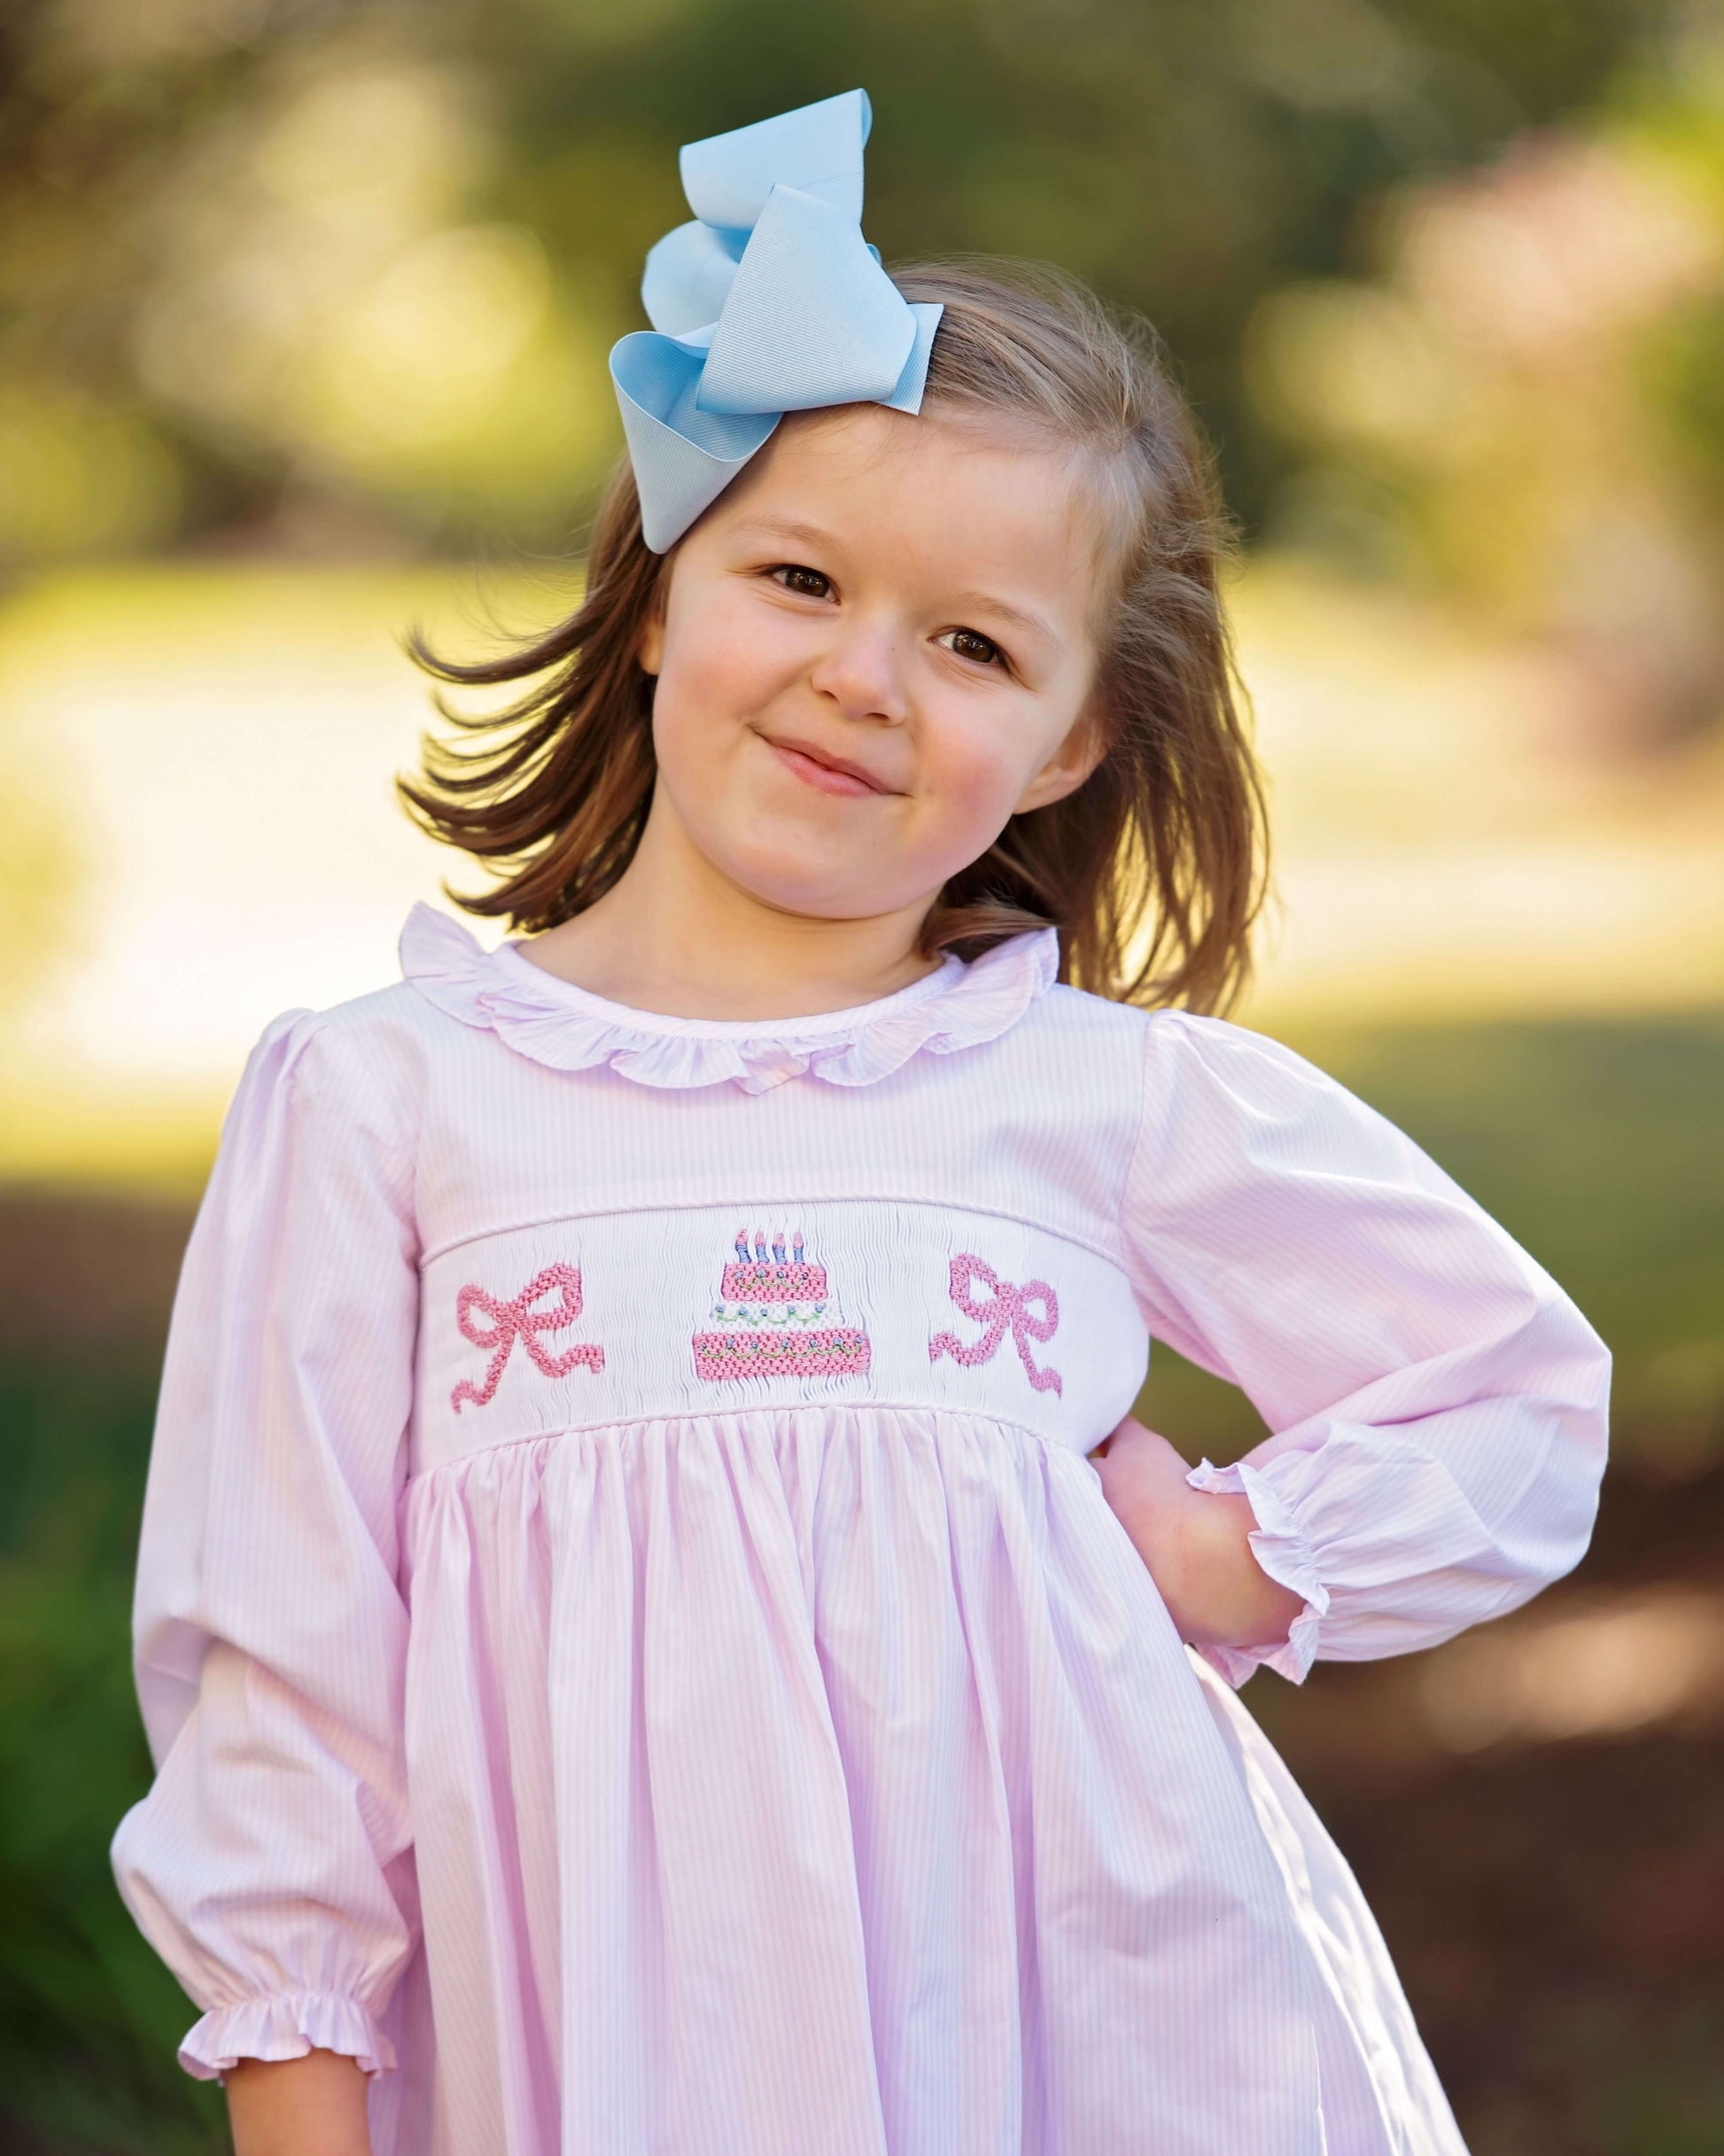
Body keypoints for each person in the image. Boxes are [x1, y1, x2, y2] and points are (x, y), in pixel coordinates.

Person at [111, 89, 1609, 2156]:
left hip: (1096, 2040)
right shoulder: (390, 1103)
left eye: (974, 641)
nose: (864, 677)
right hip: (604, 2057)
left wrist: (1233, 1549)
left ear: (1072, 736)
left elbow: (1516, 1390)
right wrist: (305, 2103)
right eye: (799, 576)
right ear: (658, 583)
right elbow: (278, 1681)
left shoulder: (1088, 1095)